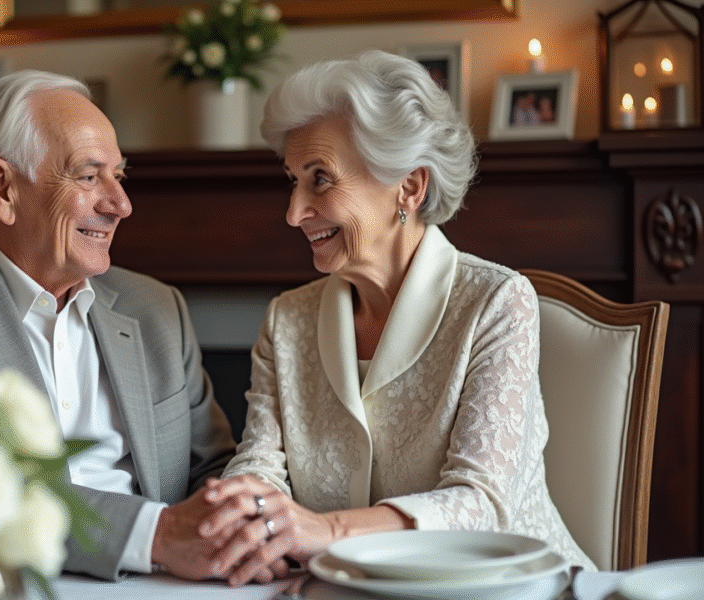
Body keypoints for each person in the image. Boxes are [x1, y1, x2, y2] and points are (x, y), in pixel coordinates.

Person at [197, 49, 596, 586]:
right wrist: (248, 521)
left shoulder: (497, 303)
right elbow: (260, 464)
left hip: (509, 589)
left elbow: (480, 502)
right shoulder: (286, 320)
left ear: (409, 186)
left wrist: (325, 530)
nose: (293, 212)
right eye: (292, 180)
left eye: (320, 180)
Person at [0, 70, 243, 582]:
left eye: (118, 176)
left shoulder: (156, 308)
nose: (120, 205)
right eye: (87, 176)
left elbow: (213, 467)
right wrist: (158, 535)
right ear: (2, 188)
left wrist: (246, 525)